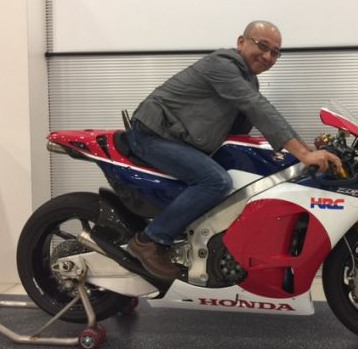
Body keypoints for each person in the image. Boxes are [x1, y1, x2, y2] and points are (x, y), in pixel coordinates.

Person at [127, 20, 341, 280]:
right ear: (241, 42)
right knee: (215, 181)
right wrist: (304, 155)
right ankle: (150, 240)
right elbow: (257, 107)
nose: (267, 56)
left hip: (179, 138)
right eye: (262, 46)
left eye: (275, 52)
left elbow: (249, 125)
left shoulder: (248, 80)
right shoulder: (223, 65)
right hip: (153, 133)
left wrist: (307, 151)